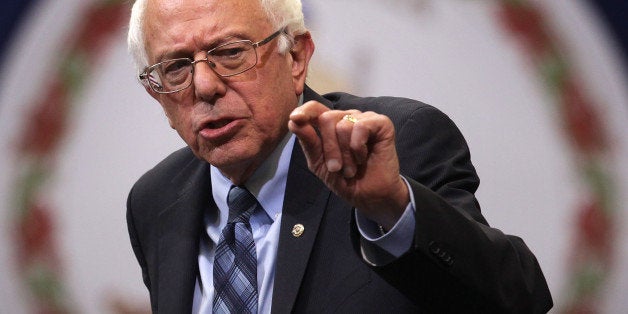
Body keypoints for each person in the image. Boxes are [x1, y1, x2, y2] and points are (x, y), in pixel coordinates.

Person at [125, 0, 553, 313]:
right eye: (176, 67)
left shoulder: (392, 146)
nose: (204, 86)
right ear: (154, 92)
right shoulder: (155, 202)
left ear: (296, 56)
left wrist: (393, 208)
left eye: (231, 52)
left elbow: (519, 300)